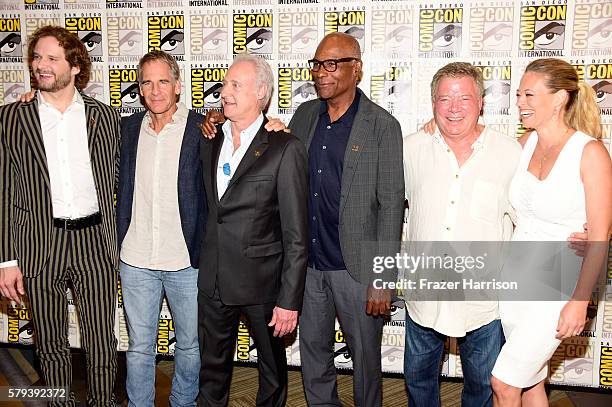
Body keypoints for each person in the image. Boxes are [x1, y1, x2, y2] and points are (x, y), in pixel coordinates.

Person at [200, 32, 404, 407]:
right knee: (314, 358)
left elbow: (392, 207)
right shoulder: (306, 114)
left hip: (356, 269)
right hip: (308, 267)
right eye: (316, 64)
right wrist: (229, 120)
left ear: (356, 69)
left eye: (332, 64)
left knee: (365, 363)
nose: (320, 73)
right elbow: (274, 157)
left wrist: (382, 279)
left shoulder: (381, 125)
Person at [0, 25, 120, 406]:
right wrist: (6, 259)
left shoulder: (105, 117)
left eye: (52, 58)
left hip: (94, 241)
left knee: (102, 340)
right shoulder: (12, 119)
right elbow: (4, 191)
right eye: (36, 57)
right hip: (39, 243)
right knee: (50, 343)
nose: (41, 65)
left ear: (76, 65)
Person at [490, 58, 611, 406]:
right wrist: (433, 127)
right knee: (530, 382)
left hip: (559, 283)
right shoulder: (526, 141)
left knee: (503, 383)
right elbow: (481, 149)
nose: (519, 103)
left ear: (558, 99)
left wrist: (579, 299)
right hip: (516, 277)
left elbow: (601, 233)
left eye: (529, 95)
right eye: (517, 95)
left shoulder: (589, 153)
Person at [402, 62, 518, 407]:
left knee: (482, 388)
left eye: (464, 98)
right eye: (444, 99)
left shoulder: (510, 153)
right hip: (424, 298)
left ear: (481, 101)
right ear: (432, 103)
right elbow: (385, 207)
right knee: (418, 383)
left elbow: (529, 221)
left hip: (484, 303)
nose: (454, 108)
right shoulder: (411, 148)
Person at [197, 53, 308, 407]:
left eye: (235, 85)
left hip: (264, 283)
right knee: (211, 373)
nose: (224, 92)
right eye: (225, 84)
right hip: (214, 279)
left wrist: (289, 301)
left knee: (272, 375)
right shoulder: (210, 137)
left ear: (261, 92)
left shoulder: (284, 146)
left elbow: (295, 234)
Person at [116, 50, 207, 407]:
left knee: (189, 344)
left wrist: (273, 124)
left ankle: (183, 403)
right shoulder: (125, 130)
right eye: (147, 83)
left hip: (186, 261)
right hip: (136, 259)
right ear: (139, 89)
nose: (155, 91)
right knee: (139, 348)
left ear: (178, 85)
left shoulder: (203, 130)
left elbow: (247, 142)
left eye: (163, 81)